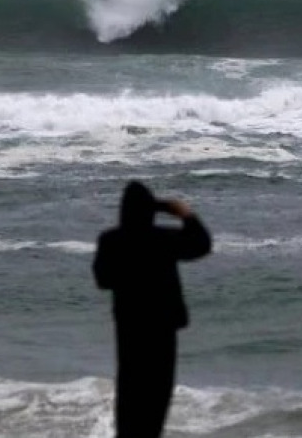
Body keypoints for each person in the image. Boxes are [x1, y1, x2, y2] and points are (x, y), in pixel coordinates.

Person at [92, 181, 212, 438]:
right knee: (156, 398)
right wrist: (185, 214)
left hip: (129, 331)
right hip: (162, 331)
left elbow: (103, 280)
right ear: (152, 211)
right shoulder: (163, 239)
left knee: (130, 397)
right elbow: (201, 245)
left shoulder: (110, 240)